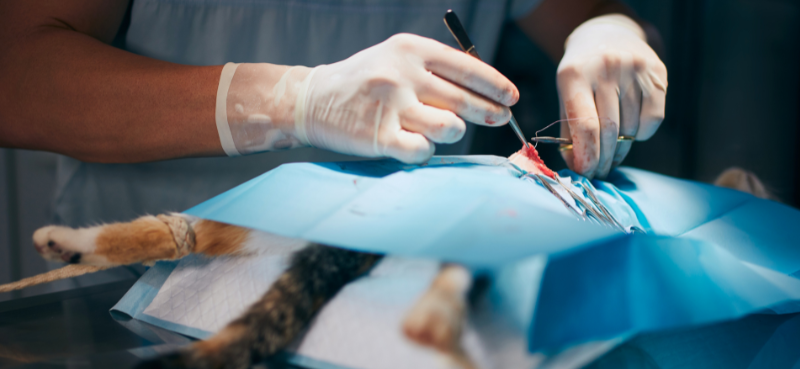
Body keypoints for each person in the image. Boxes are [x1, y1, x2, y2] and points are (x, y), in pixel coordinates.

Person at [0, 0, 666, 229]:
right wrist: (292, 100)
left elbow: (584, 17)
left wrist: (612, 34)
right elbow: (17, 78)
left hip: (401, 303)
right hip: (151, 292)